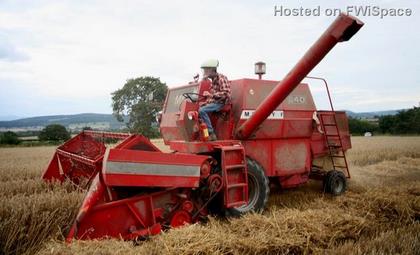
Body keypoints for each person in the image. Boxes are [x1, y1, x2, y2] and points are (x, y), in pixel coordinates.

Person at [198, 59, 231, 141]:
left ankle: (211, 133)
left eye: (206, 70)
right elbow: (212, 98)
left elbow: (226, 94)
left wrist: (210, 95)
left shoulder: (221, 78)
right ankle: (204, 135)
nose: (204, 72)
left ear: (212, 70)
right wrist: (205, 102)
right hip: (216, 102)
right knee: (199, 108)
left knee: (202, 110)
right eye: (204, 70)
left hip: (222, 103)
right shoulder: (213, 81)